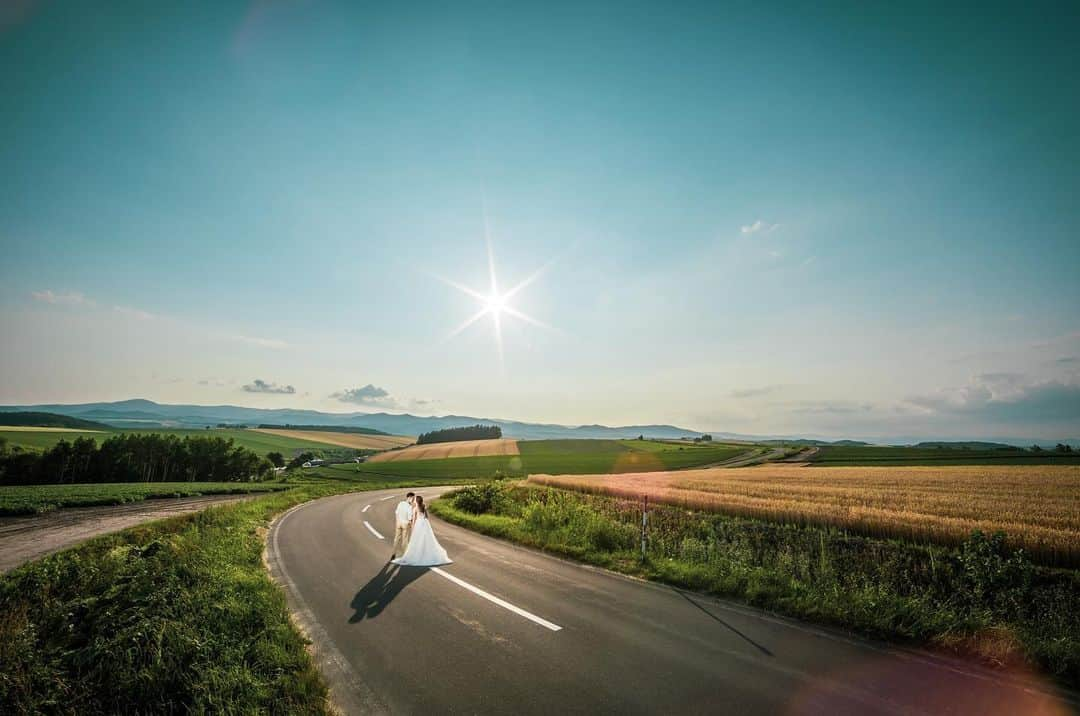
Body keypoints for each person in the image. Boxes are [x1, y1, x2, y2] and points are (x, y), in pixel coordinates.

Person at [392, 495, 452, 566]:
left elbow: (414, 519)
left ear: (416, 501)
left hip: (418, 524)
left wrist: (412, 527)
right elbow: (426, 516)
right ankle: (425, 552)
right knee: (426, 539)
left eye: (415, 500)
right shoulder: (423, 506)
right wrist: (423, 519)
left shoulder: (415, 508)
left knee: (417, 539)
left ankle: (418, 553)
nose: (414, 501)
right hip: (425, 523)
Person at [392, 492, 414, 559]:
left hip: (398, 523)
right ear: (409, 497)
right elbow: (409, 517)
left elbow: (396, 513)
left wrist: (397, 521)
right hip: (405, 524)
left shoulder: (400, 503)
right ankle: (405, 555)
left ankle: (393, 553)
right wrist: (411, 525)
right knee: (404, 540)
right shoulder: (409, 506)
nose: (413, 500)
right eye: (413, 498)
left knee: (396, 539)